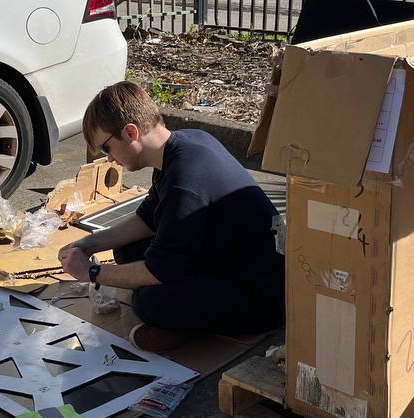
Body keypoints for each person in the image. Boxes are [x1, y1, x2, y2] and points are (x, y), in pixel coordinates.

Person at [59, 81, 283, 352]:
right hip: (229, 258)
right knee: (127, 249)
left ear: (130, 133)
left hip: (261, 297)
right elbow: (146, 219)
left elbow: (158, 270)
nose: (108, 160)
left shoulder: (184, 180)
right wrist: (87, 244)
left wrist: (92, 272)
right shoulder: (184, 144)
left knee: (150, 302)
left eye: (106, 148)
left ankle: (187, 328)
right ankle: (188, 317)